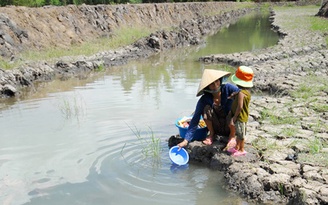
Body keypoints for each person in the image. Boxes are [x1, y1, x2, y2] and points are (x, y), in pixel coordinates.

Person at [177, 69, 240, 148]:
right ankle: (212, 134)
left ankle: (232, 136)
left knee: (234, 109)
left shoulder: (228, 88)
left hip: (231, 124)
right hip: (217, 127)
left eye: (217, 81)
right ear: (207, 87)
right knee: (206, 108)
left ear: (220, 80)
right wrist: (186, 140)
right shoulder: (205, 99)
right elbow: (195, 118)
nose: (215, 85)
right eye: (211, 84)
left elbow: (242, 95)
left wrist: (234, 96)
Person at [226, 66, 254, 157]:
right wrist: (234, 95)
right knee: (239, 133)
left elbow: (240, 107)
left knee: (241, 135)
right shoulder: (244, 92)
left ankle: (241, 149)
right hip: (242, 117)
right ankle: (237, 147)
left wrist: (234, 118)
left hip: (240, 117)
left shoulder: (241, 93)